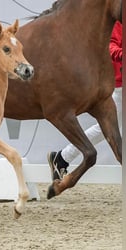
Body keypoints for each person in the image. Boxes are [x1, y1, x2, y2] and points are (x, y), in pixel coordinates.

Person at [47, 21, 122, 180]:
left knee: (105, 128)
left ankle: (62, 158)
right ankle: (62, 158)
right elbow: (111, 46)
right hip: (121, 84)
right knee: (106, 127)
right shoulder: (119, 22)